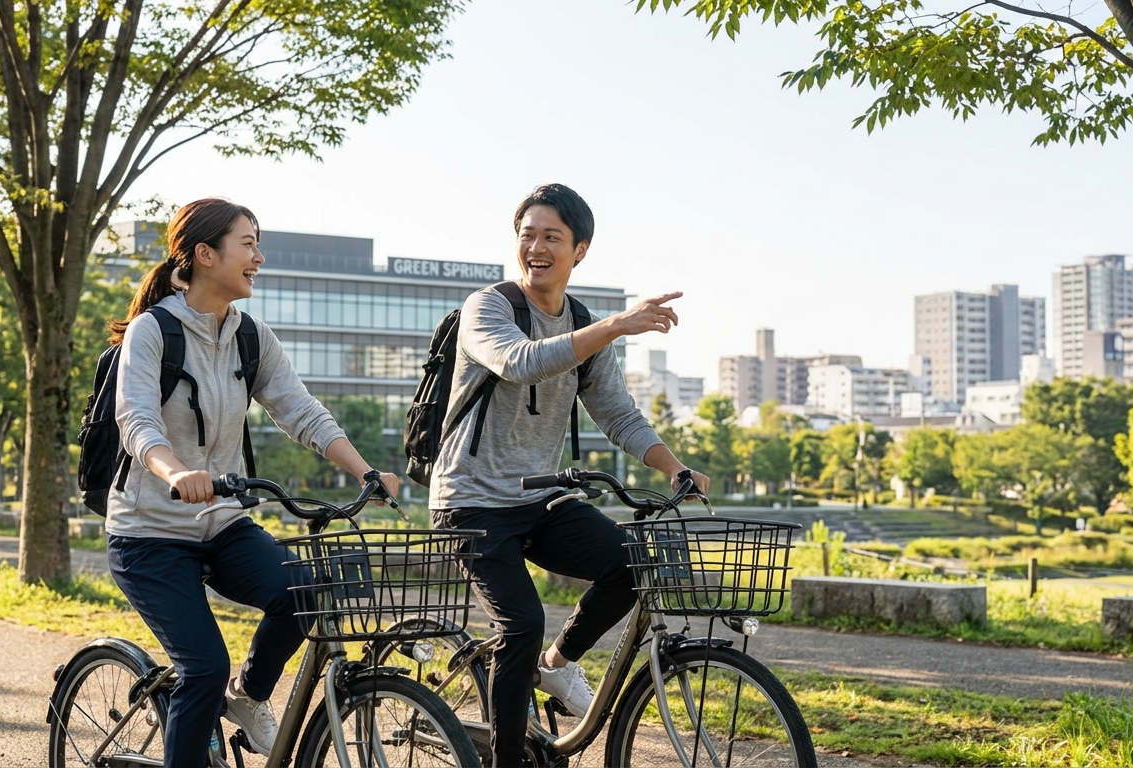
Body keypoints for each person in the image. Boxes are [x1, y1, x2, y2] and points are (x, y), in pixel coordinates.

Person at [106, 198, 400, 767]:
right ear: (204, 254)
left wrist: (364, 470)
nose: (258, 257)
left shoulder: (249, 336)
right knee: (204, 666)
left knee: (305, 595)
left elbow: (300, 411)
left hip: (220, 522)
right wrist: (176, 472)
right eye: (248, 244)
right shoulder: (152, 332)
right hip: (148, 534)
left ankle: (247, 699)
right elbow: (135, 421)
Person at [429, 184, 710, 767]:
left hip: (538, 497)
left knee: (632, 563)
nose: (536, 246)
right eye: (527, 235)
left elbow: (617, 414)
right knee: (522, 623)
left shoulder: (581, 320)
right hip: (471, 501)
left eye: (551, 237)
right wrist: (616, 326)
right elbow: (520, 361)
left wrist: (676, 467)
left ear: (578, 250)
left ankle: (556, 667)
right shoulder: (490, 307)